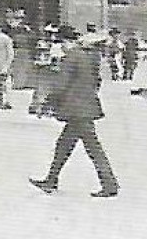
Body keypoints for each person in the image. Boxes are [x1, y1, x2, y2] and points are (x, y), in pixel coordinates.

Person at [30, 29, 119, 198]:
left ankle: (109, 183)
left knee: (93, 148)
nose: (61, 47)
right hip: (86, 107)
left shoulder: (73, 56)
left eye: (61, 43)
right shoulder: (92, 57)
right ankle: (51, 180)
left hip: (77, 109)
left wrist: (48, 102)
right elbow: (97, 82)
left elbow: (61, 84)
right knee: (64, 145)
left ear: (68, 41)